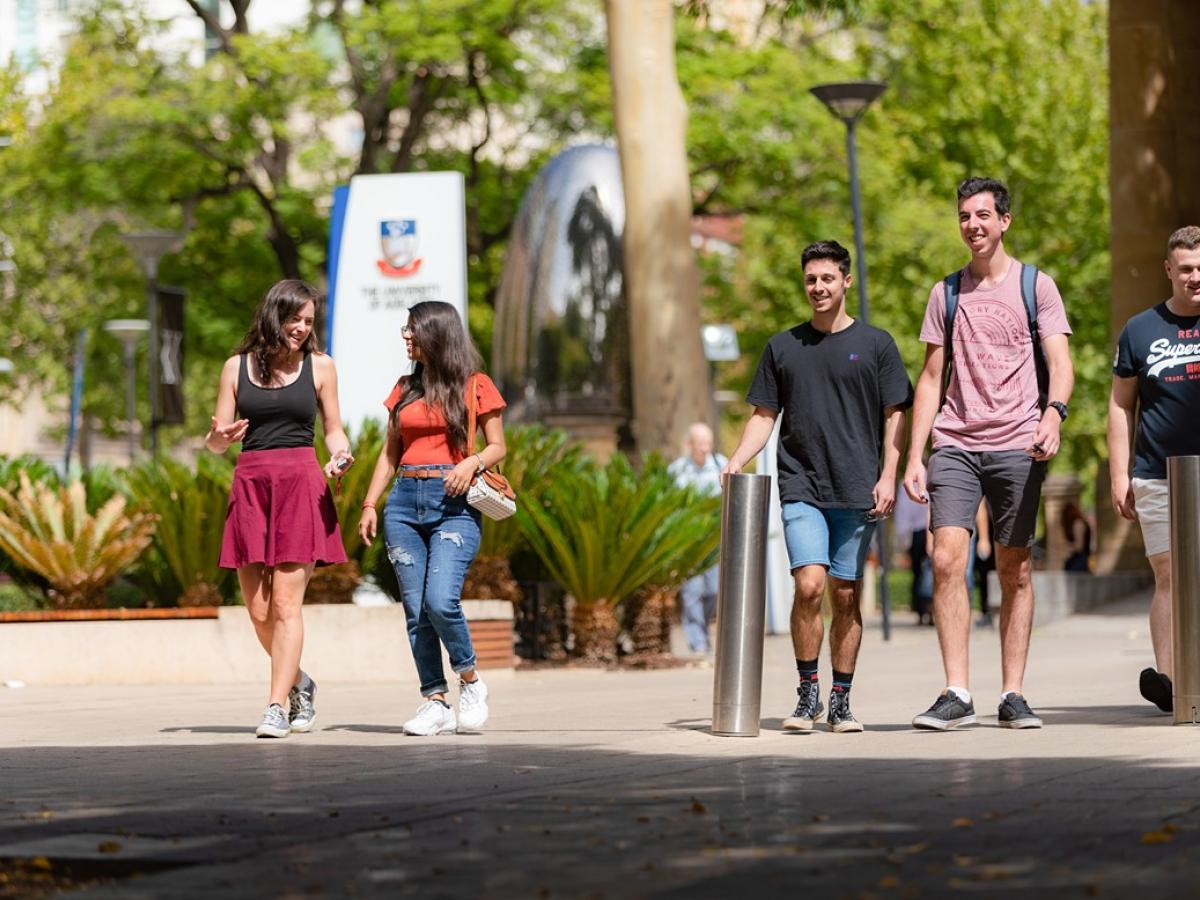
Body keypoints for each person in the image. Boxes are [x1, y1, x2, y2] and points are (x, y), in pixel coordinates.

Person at [904, 176, 1074, 731]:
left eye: (982, 215)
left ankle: (1013, 693)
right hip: (955, 441)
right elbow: (931, 379)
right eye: (963, 216)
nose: (972, 225)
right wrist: (913, 455)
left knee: (1014, 568)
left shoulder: (1036, 286)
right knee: (947, 557)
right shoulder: (945, 293)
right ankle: (956, 691)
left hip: (1017, 440)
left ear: (1004, 221)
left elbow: (1061, 362)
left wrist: (1053, 414)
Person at [722, 240, 912, 733]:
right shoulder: (783, 347)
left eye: (827, 278)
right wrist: (738, 458)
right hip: (801, 483)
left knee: (844, 593)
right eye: (811, 280)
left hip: (858, 488)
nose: (818, 287)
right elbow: (765, 415)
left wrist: (889, 473)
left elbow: (896, 416)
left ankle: (841, 699)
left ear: (846, 281)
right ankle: (807, 694)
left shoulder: (877, 345)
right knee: (809, 585)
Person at [208, 279, 353, 739]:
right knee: (258, 610)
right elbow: (215, 441)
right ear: (276, 315)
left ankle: (274, 706)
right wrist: (218, 438)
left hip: (300, 484)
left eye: (309, 321)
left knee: (288, 604)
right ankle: (299, 682)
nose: (302, 328)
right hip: (251, 484)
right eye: (296, 319)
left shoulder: (322, 367)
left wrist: (341, 453)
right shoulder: (236, 367)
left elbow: (333, 429)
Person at [358, 301, 506, 736]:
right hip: (403, 502)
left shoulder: (476, 385)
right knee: (415, 610)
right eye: (406, 329)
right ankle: (434, 700)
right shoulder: (405, 387)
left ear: (437, 334)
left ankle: (471, 680)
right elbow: (390, 454)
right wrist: (370, 503)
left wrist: (472, 462)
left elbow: (498, 445)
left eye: (413, 329)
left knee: (440, 601)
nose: (406, 336)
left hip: (454, 504)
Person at [1108, 224, 1200, 714]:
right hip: (1156, 473)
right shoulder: (1140, 330)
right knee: (1168, 574)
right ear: (1169, 270)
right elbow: (1121, 405)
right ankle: (1170, 681)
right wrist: (1118, 475)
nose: (1195, 277)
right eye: (1186, 268)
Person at [668, 423, 727, 654]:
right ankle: (698, 641)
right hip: (689, 540)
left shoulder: (722, 465)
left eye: (707, 442)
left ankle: (703, 632)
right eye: (700, 442)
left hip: (714, 540)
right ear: (690, 444)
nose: (704, 447)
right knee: (692, 591)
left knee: (713, 590)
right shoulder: (677, 471)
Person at [894, 488, 932, 625]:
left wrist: (903, 540)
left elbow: (902, 515)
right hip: (927, 530)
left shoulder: (905, 485)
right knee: (928, 571)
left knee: (918, 573)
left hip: (917, 533)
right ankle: (927, 610)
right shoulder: (933, 475)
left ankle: (922, 611)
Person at [1060, 501, 1092, 573]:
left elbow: (1079, 547)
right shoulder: (1079, 523)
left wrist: (1066, 546)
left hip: (1081, 561)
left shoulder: (1078, 524)